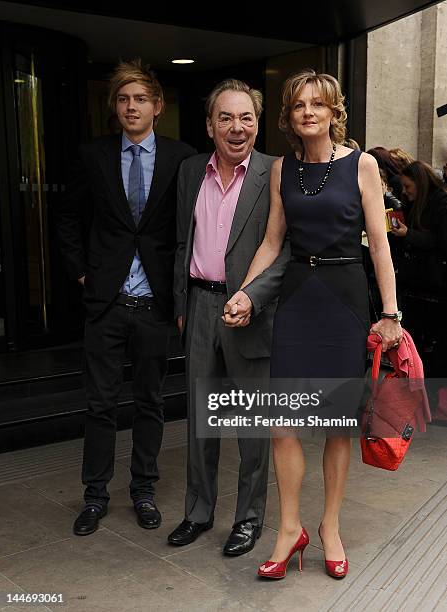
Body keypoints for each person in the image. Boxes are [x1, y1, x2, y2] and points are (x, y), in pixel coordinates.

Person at [225, 70, 401, 579]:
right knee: (284, 425)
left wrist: (389, 312)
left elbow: (380, 243)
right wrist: (246, 293)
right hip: (297, 301)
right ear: (290, 114)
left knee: (337, 428)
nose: (308, 112)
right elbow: (273, 242)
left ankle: (329, 527)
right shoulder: (282, 169)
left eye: (317, 104)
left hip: (343, 300)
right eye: (299, 104)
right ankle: (288, 529)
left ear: (333, 112)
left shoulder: (362, 165)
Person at [56, 59, 195, 536]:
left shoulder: (182, 158)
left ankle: (143, 491)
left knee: (150, 402)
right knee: (99, 406)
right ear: (114, 108)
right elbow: (68, 216)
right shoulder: (93, 155)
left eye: (139, 99)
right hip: (106, 302)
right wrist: (81, 274)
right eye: (122, 99)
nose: (130, 106)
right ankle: (95, 497)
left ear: (157, 106)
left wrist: (181, 293)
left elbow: (190, 231)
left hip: (155, 304)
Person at [168, 79, 288, 555]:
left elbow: (283, 252)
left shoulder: (276, 172)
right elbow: (181, 242)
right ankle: (198, 513)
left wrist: (253, 298)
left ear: (258, 124)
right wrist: (182, 306)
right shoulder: (190, 171)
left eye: (246, 118)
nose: (236, 128)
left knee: (252, 425)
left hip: (250, 312)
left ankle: (249, 518)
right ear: (209, 125)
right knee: (201, 419)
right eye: (226, 117)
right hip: (199, 306)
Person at [391, 161, 447, 374]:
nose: (404, 192)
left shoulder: (440, 204)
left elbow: (441, 242)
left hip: (434, 287)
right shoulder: (411, 204)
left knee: (433, 350)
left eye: (408, 187)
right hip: (414, 284)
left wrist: (409, 235)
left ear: (419, 184)